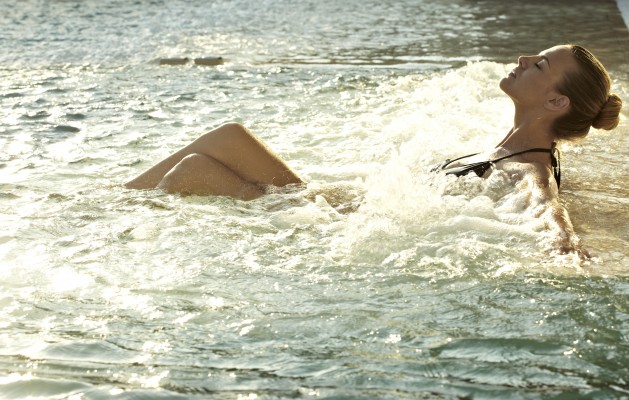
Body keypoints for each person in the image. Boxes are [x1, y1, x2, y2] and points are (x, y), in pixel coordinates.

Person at [125, 44, 622, 257]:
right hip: (325, 202)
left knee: (194, 171)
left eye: (538, 65)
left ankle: (105, 217)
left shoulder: (529, 165)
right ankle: (109, 202)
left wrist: (564, 247)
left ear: (556, 101)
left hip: (322, 222)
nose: (522, 59)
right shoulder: (513, 146)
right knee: (227, 136)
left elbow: (545, 204)